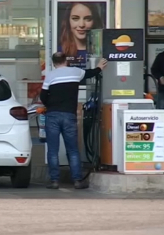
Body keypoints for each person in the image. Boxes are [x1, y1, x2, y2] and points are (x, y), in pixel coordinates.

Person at [40, 52, 107, 189]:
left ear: (53, 63)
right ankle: (77, 180)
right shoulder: (76, 72)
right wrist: (99, 67)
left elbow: (42, 96)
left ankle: (54, 181)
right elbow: (90, 73)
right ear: (66, 60)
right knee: (72, 149)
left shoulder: (50, 76)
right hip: (69, 115)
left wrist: (50, 105)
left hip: (52, 115)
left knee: (52, 150)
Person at [58, 2, 104, 68]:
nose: (81, 25)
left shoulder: (103, 52)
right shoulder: (60, 52)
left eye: (88, 19)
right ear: (68, 22)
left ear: (94, 21)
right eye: (75, 18)